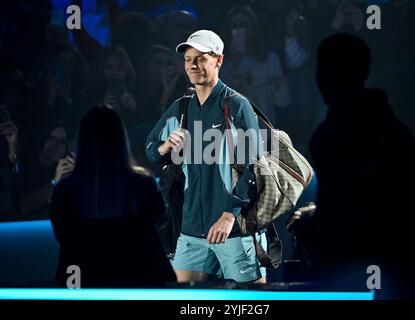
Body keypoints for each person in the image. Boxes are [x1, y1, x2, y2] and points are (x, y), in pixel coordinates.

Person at [309, 33, 415, 295]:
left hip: (356, 275)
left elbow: (343, 217)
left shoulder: (330, 137)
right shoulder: (394, 130)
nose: (319, 78)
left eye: (324, 69)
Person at [145, 30, 266, 284]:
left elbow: (255, 167)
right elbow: (150, 150)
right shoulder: (182, 107)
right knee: (185, 303)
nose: (193, 64)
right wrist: (166, 146)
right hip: (191, 231)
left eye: (201, 58)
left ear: (218, 60)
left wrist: (229, 215)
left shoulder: (236, 105)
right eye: (188, 59)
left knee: (251, 306)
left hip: (232, 231)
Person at [50, 105, 176, 288]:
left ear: (82, 143)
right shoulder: (143, 184)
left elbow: (61, 234)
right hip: (137, 276)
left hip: (78, 279)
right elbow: (158, 222)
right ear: (120, 140)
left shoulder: (65, 190)